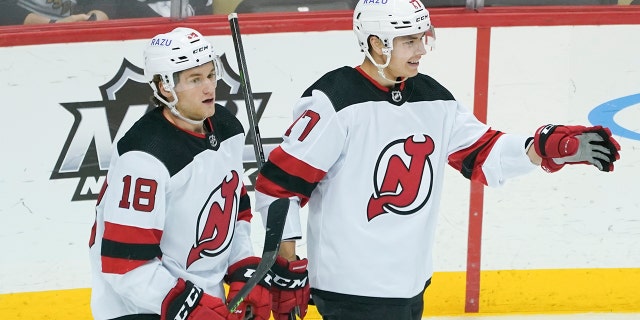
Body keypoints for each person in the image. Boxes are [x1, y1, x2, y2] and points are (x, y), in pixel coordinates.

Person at [253, 0, 621, 319]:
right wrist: (285, 262)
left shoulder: (432, 98)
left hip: (410, 283)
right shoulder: (335, 101)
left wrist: (543, 148)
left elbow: (484, 153)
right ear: (377, 44)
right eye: (409, 41)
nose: (421, 50)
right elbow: (280, 185)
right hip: (352, 289)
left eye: (422, 38)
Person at [88, 27, 272, 320]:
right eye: (195, 80)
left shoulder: (227, 129)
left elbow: (235, 213)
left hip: (204, 303)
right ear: (164, 87)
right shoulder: (145, 156)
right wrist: (187, 307)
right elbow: (124, 264)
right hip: (141, 310)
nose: (210, 88)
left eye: (211, 75)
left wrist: (243, 267)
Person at [0, 0, 112, 25]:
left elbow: (103, 4)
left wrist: (91, 21)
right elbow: (4, 9)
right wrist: (54, 25)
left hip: (76, 35)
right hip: (24, 35)